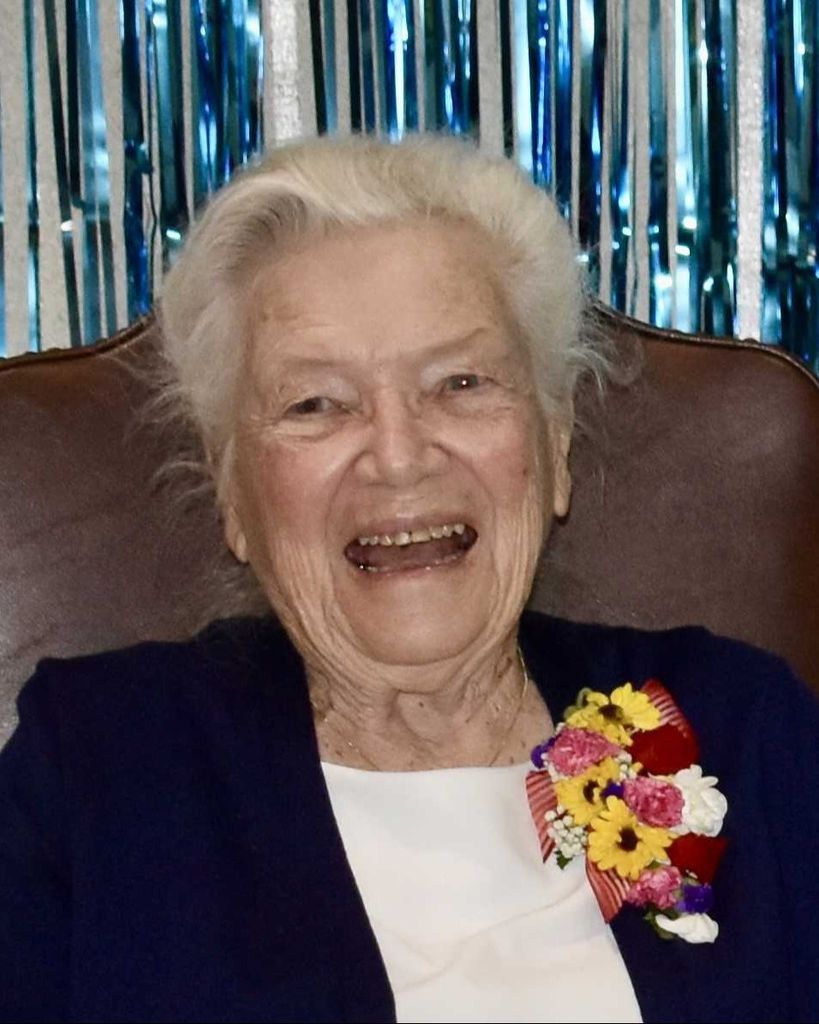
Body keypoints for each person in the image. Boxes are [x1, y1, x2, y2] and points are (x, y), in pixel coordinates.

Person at [1, 135, 817, 1024]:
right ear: (233, 492)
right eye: (316, 404)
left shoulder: (738, 728)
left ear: (553, 448)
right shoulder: (98, 766)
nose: (397, 456)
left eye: (460, 383)